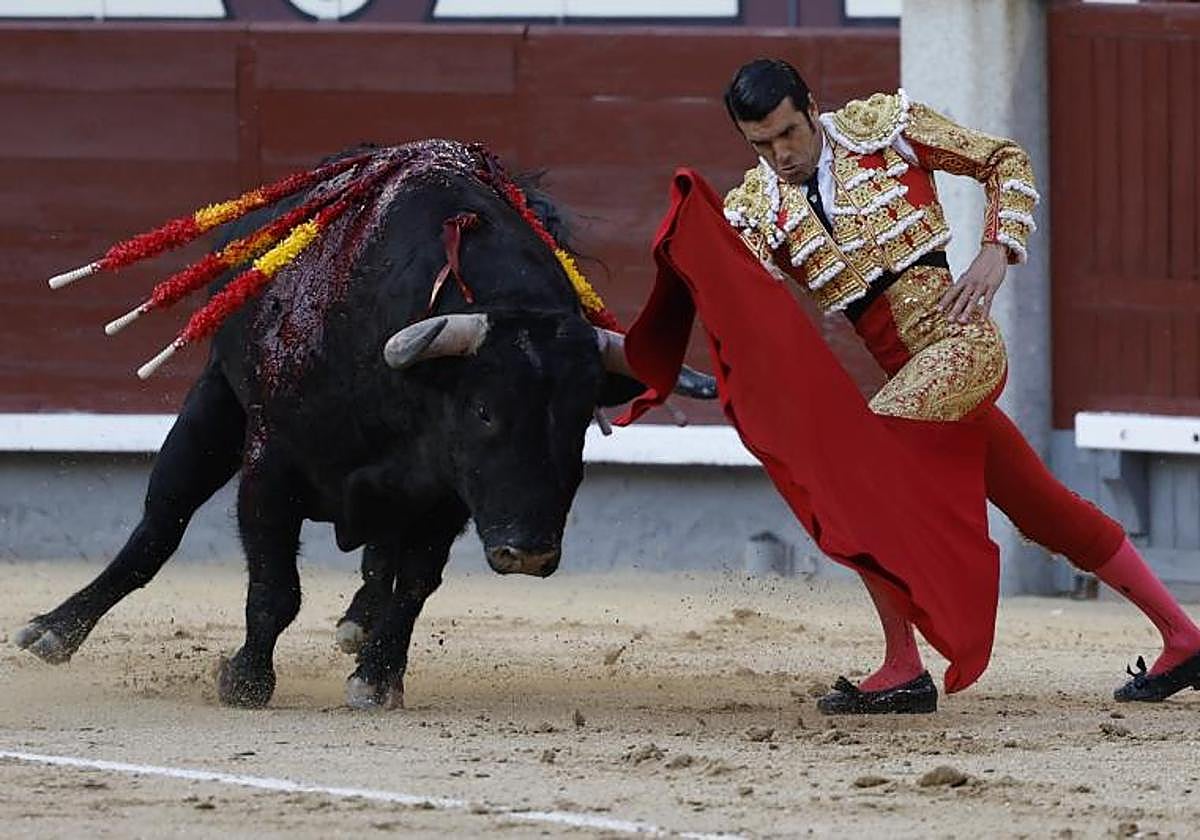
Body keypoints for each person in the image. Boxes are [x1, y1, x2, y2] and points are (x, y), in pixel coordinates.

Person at [719, 59, 1200, 714]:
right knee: (1044, 508)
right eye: (762, 145)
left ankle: (903, 666)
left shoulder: (881, 131)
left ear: (810, 107)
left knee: (861, 469)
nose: (782, 155)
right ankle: (1184, 636)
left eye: (789, 134)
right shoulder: (759, 207)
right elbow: (733, 293)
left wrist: (996, 253)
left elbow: (1003, 160)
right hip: (913, 384)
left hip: (962, 349)